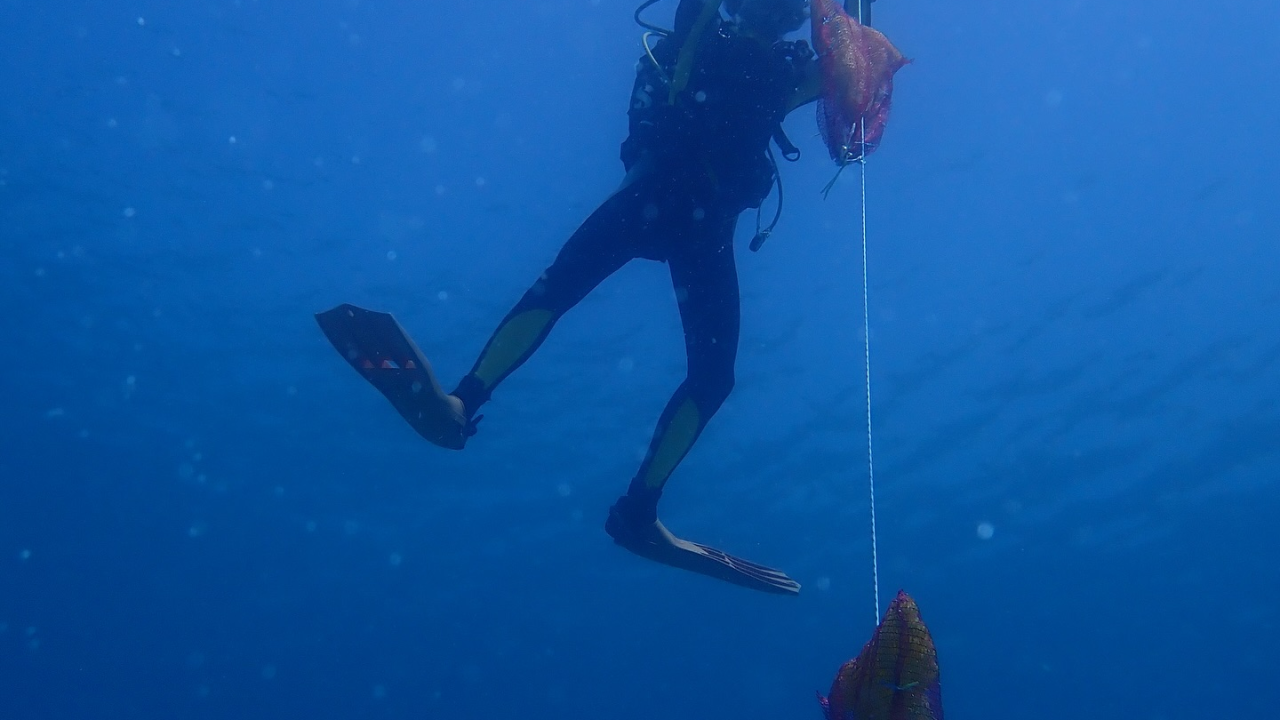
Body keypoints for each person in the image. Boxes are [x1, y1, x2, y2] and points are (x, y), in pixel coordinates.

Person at [317, 0, 821, 595]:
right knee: (557, 289)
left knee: (713, 378)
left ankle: (638, 515)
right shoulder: (699, 32)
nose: (773, 17)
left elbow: (853, 65)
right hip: (656, 193)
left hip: (704, 226)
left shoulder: (789, 72)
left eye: (787, 10)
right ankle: (461, 402)